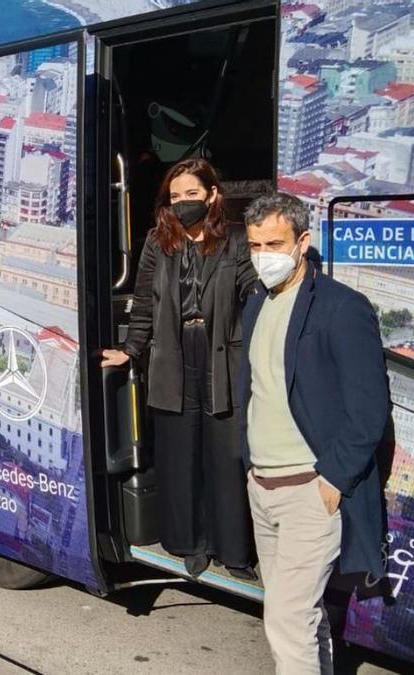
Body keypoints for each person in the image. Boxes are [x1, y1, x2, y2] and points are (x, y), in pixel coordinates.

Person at [238, 192, 389, 673]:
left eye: (275, 243)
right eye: (255, 245)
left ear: (303, 242)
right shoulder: (256, 302)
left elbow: (369, 411)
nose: (265, 255)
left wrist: (332, 480)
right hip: (261, 486)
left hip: (310, 489)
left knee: (286, 618)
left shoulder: (342, 309)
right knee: (306, 618)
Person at [101, 158, 259, 579]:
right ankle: (191, 544)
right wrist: (131, 349)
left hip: (223, 353)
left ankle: (233, 551)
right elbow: (146, 302)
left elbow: (252, 292)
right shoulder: (158, 241)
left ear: (212, 195)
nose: (183, 203)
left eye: (192, 194)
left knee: (225, 457)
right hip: (173, 353)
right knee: (181, 455)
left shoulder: (237, 241)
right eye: (176, 197)